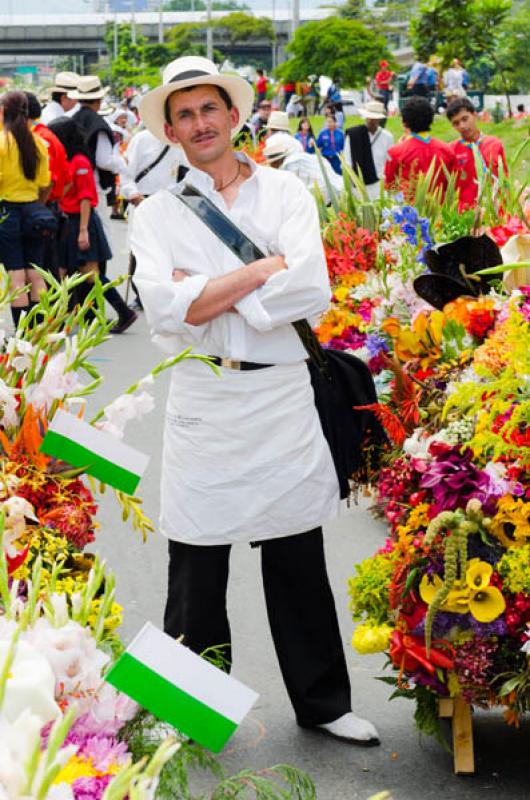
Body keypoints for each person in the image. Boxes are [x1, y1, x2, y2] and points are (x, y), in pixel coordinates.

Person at [131, 54, 380, 746]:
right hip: (204, 397)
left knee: (298, 553)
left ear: (235, 116)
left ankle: (325, 703)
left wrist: (207, 288)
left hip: (279, 392)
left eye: (209, 109)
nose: (199, 123)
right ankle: (188, 712)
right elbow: (163, 311)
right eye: (184, 114)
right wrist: (259, 271)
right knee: (196, 564)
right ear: (171, 132)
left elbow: (308, 292)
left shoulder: (285, 196)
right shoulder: (155, 215)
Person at [48, 117, 137, 334]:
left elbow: (86, 198)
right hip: (70, 221)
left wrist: (83, 231)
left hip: (80, 221)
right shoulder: (70, 159)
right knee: (67, 272)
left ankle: (122, 312)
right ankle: (70, 316)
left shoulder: (80, 161)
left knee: (90, 274)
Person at [0, 91, 51, 327]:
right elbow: (45, 184)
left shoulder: (2, 142)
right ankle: (40, 328)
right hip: (34, 212)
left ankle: (22, 334)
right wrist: (36, 205)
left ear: (4, 112)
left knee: (16, 275)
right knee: (35, 272)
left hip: (7, 213)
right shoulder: (38, 143)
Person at [120, 127, 184, 310]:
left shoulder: (179, 139)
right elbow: (126, 172)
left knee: (168, 251)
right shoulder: (141, 139)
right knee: (140, 250)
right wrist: (133, 195)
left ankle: (162, 294)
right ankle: (140, 294)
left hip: (169, 202)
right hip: (143, 201)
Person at [69, 76, 127, 238]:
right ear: (99, 100)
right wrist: (122, 163)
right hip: (93, 185)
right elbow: (104, 161)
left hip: (72, 183)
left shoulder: (72, 119)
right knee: (99, 232)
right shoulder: (98, 125)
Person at [26, 92, 70, 281]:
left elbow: (50, 181)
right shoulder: (46, 135)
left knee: (39, 273)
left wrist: (39, 209)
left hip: (42, 211)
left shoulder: (40, 140)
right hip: (49, 209)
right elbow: (66, 180)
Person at [385, 96, 455, 199]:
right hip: (440, 209)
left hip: (408, 211)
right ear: (431, 119)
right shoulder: (447, 150)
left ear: (404, 123)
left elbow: (389, 185)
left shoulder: (395, 152)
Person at [447, 96, 507, 210]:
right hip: (465, 214)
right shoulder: (451, 150)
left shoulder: (495, 144)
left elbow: (504, 180)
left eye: (465, 119)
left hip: (494, 211)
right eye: (456, 123)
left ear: (474, 115)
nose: (462, 126)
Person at [264, 131, 343, 204]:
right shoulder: (301, 157)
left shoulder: (289, 165)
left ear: (276, 161)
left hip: (328, 198)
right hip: (337, 190)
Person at [344, 101, 393, 200]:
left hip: (378, 183)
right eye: (369, 118)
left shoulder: (387, 137)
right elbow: (347, 159)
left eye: (374, 119)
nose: (371, 121)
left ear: (379, 119)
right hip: (357, 183)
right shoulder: (354, 135)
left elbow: (389, 160)